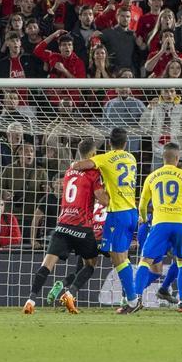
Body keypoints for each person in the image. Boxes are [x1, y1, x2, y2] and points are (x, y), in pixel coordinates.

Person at [23, 138, 109, 315]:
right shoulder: (93, 173)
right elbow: (102, 199)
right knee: (90, 264)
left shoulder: (69, 171)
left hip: (62, 225)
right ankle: (70, 294)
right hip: (82, 227)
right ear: (93, 155)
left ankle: (30, 300)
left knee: (46, 265)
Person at [70, 127, 141, 313]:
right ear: (125, 143)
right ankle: (129, 299)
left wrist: (76, 165)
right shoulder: (131, 158)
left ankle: (133, 300)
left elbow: (79, 166)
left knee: (118, 259)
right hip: (132, 212)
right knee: (123, 258)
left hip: (117, 213)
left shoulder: (105, 158)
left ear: (110, 143)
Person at [132, 142, 182, 313]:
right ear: (177, 158)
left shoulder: (153, 176)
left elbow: (142, 205)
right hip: (180, 223)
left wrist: (142, 216)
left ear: (163, 158)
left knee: (145, 261)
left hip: (160, 223)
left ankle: (135, 299)